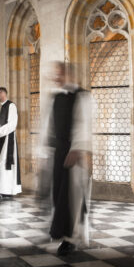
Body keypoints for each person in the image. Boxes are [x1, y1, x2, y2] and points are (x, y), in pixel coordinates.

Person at [39, 62, 93, 256]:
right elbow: (47, 125)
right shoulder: (55, 97)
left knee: (73, 196)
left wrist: (77, 149)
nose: (56, 77)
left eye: (59, 74)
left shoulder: (82, 96)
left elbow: (83, 123)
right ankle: (60, 232)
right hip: (58, 150)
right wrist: (44, 152)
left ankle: (72, 238)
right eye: (55, 74)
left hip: (73, 152)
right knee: (59, 195)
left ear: (69, 74)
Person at [0, 87, 22, 201]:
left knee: (5, 165)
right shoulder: (3, 106)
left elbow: (12, 124)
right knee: (1, 165)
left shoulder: (11, 106)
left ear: (2, 94)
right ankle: (2, 191)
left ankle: (5, 191)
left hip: (8, 139)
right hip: (2, 138)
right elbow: (2, 124)